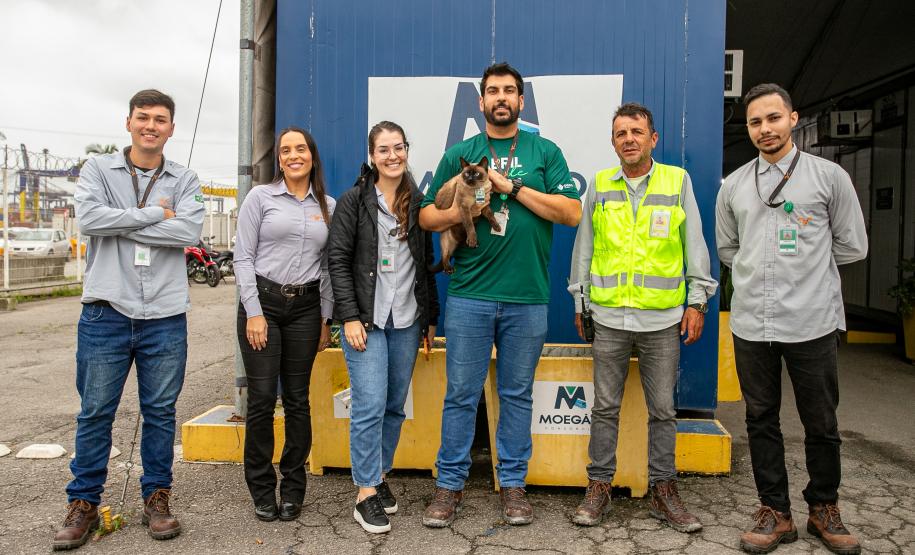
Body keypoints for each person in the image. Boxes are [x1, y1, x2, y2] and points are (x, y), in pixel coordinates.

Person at [419, 62, 581, 527]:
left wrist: (512, 188)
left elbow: (570, 212)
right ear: (481, 101)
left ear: (521, 100)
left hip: (527, 296)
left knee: (517, 394)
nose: (501, 98)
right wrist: (464, 210)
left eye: (509, 91)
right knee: (461, 395)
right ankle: (449, 487)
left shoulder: (544, 151)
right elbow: (428, 218)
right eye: (493, 91)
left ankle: (512, 486)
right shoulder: (461, 153)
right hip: (470, 293)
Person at [716, 83, 867, 555]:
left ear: (793, 119)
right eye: (756, 122)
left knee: (820, 421)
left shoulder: (828, 178)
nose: (765, 129)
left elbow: (852, 245)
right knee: (760, 418)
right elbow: (727, 248)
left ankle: (824, 508)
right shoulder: (736, 184)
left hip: (812, 321)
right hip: (752, 323)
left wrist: (806, 272)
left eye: (773, 118)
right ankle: (775, 512)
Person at [55, 89, 204, 550]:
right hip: (107, 310)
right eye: (144, 117)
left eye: (161, 120)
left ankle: (157, 498)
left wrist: (124, 222)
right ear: (129, 122)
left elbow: (189, 230)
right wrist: (154, 214)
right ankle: (83, 505)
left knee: (160, 414)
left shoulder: (185, 177)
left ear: (171, 129)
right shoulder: (99, 169)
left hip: (164, 313)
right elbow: (89, 220)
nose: (151, 126)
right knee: (95, 412)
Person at [567, 102, 717, 532]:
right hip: (609, 318)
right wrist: (580, 301)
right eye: (620, 133)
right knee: (605, 407)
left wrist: (697, 301)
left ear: (654, 138)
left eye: (637, 131)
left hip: (662, 320)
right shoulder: (599, 184)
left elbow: (695, 244)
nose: (628, 139)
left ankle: (663, 491)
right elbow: (585, 248)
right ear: (613, 142)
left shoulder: (677, 181)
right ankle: (598, 488)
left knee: (663, 409)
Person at [327, 121, 440, 534]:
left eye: (399, 147)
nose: (393, 156)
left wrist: (431, 318)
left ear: (407, 150)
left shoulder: (418, 202)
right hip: (367, 321)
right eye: (384, 149)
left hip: (407, 320)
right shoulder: (354, 202)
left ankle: (378, 476)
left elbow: (425, 267)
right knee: (370, 404)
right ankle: (364, 495)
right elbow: (337, 261)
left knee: (394, 406)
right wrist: (349, 316)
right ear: (372, 155)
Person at [234, 126, 335, 523]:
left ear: (312, 155)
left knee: (297, 401)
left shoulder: (327, 204)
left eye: (301, 149)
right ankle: (261, 488)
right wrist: (254, 311)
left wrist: (326, 319)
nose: (294, 155)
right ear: (279, 159)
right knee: (261, 401)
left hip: (307, 309)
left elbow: (328, 267)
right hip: (264, 305)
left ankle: (293, 489)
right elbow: (242, 257)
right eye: (286, 150)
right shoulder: (260, 198)